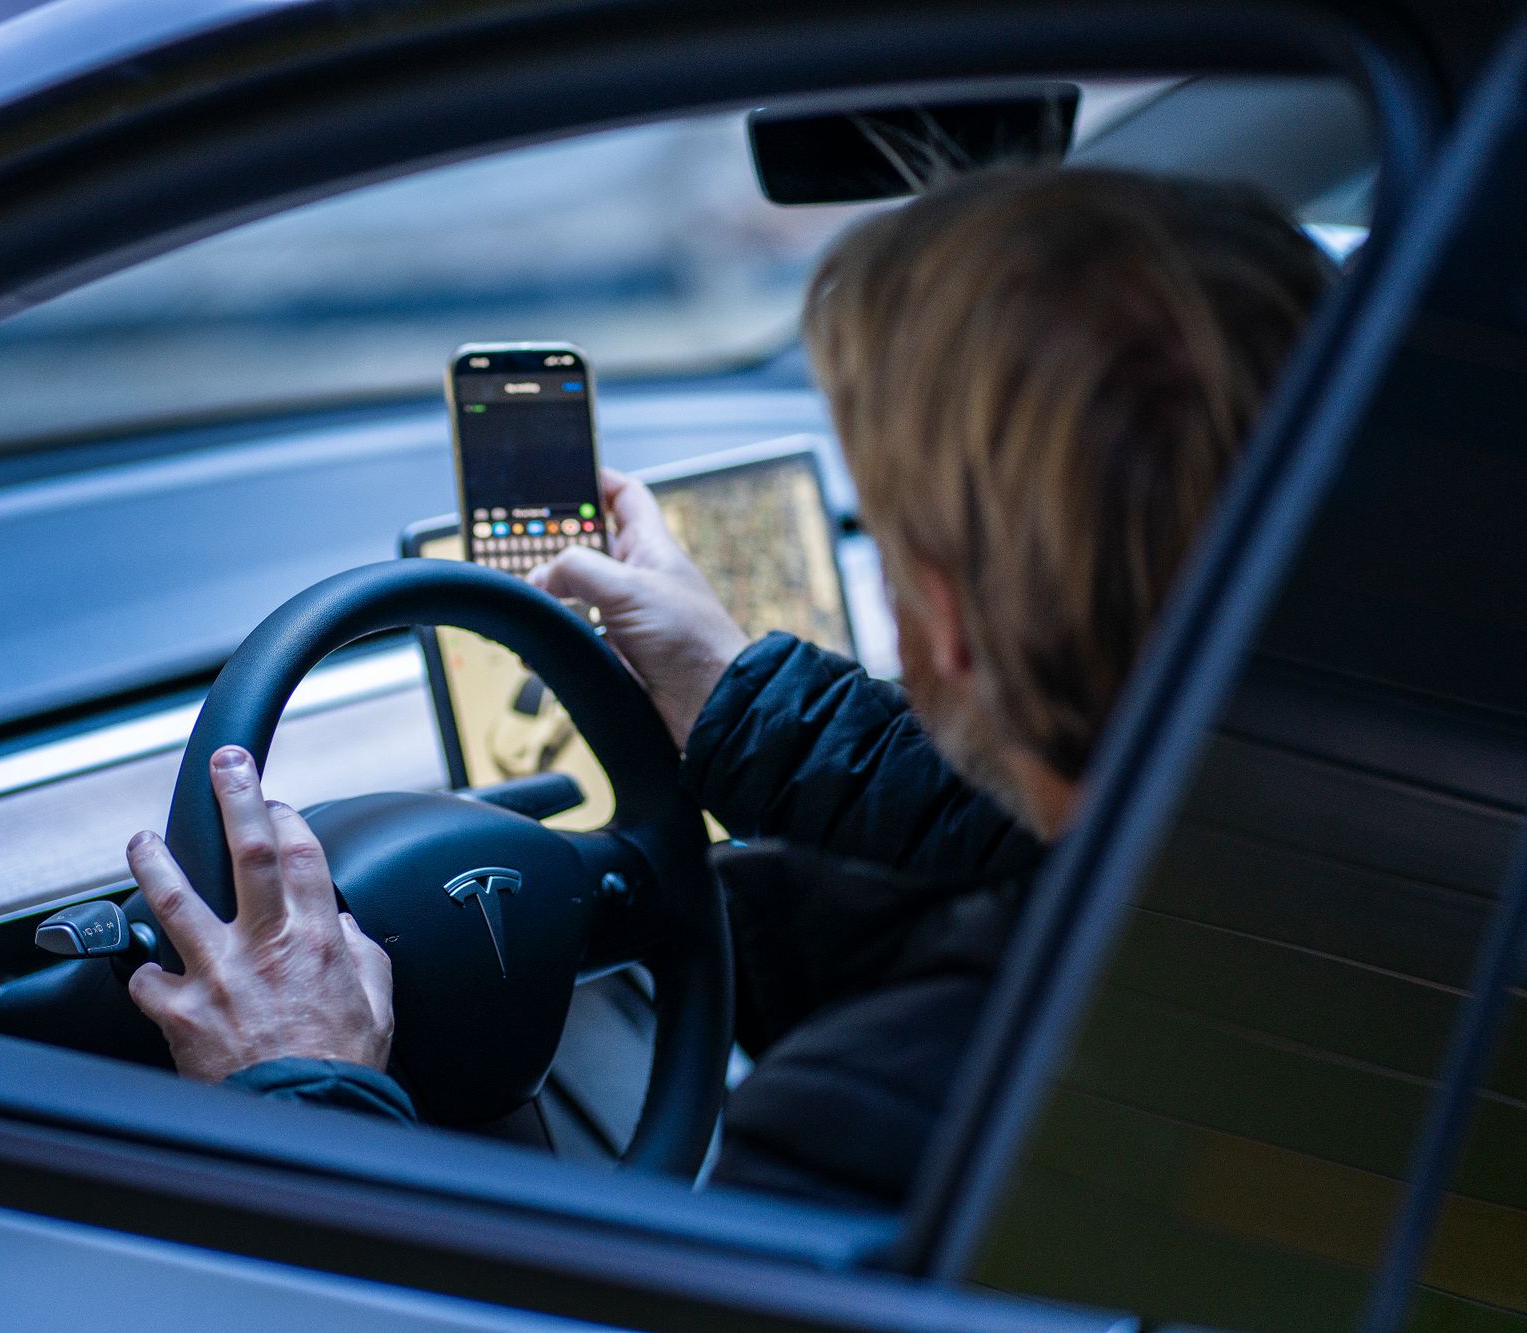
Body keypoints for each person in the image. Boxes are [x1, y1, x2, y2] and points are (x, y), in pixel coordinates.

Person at [118, 166, 1333, 1208]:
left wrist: (304, 1092)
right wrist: (727, 695)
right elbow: (1029, 824)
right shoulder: (1347, 887)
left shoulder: (869, 1135)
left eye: (890, 535)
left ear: (948, 626)